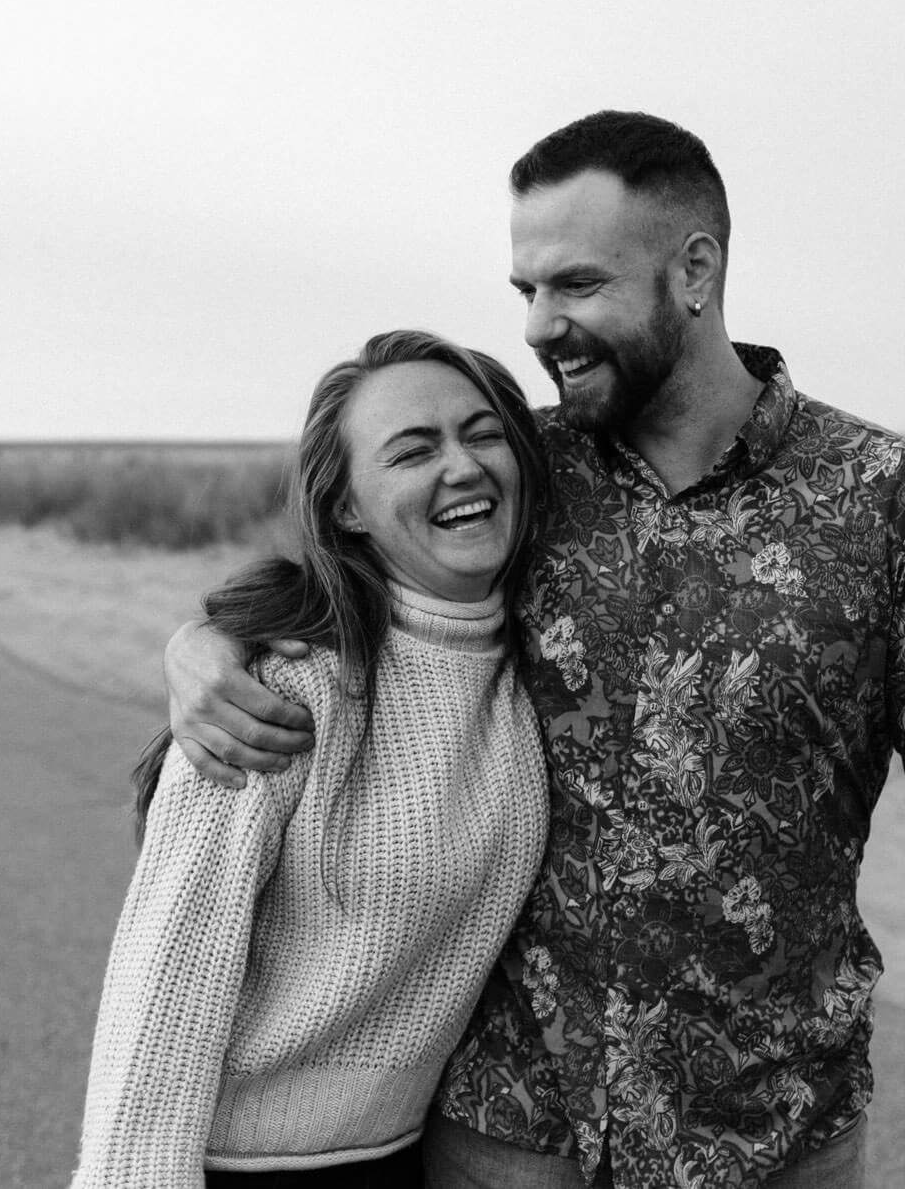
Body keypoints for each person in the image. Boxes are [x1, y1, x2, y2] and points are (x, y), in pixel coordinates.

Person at [166, 112, 905, 1188]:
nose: (541, 326)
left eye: (578, 285)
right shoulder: (512, 478)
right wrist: (197, 642)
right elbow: (331, 584)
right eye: (526, 292)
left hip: (772, 1141)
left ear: (693, 269)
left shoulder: (895, 507)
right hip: (501, 1139)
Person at [75, 330, 553, 1188]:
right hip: (244, 1164)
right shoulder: (278, 695)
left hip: (404, 1157)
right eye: (412, 451)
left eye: (482, 434)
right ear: (348, 509)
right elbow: (164, 985)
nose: (462, 466)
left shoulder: (535, 664)